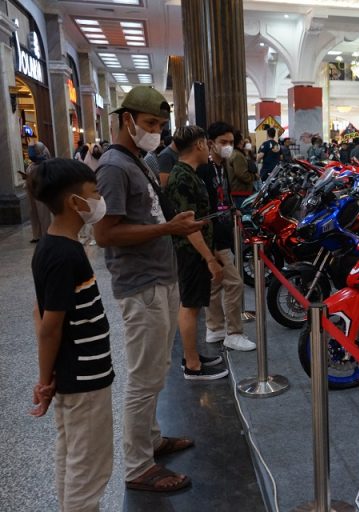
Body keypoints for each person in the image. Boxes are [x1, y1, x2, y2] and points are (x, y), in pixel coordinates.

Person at [94, 86, 202, 492]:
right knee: (143, 377)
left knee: (156, 371)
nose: (156, 131)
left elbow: (147, 217)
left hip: (159, 277)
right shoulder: (113, 167)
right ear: (128, 120)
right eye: (150, 123)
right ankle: (138, 466)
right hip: (141, 283)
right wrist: (167, 229)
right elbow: (106, 233)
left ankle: (151, 439)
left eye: (160, 125)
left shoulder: (135, 161)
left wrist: (174, 226)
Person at [28, 158, 114, 511]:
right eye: (94, 192)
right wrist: (44, 379)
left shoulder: (52, 246)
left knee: (73, 457)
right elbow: (50, 327)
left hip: (73, 375)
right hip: (84, 377)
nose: (99, 199)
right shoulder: (64, 254)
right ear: (73, 202)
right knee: (89, 467)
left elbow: (40, 311)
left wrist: (50, 376)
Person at [165, 125, 229, 380]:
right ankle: (192, 364)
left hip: (197, 250)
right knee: (190, 306)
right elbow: (188, 226)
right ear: (200, 145)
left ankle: (193, 355)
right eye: (208, 143)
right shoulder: (181, 177)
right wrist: (209, 258)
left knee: (194, 304)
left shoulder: (190, 174)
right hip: (190, 251)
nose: (210, 149)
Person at [198, 121, 257, 352]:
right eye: (223, 142)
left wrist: (232, 209)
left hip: (223, 230)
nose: (228, 146)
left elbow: (223, 195)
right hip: (213, 235)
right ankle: (234, 333)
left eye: (231, 142)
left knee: (216, 283)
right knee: (234, 283)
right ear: (210, 143)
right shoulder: (204, 169)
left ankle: (215, 328)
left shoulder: (222, 166)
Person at [25, 141, 53, 243]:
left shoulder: (45, 159)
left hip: (41, 189)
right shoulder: (31, 166)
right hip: (31, 189)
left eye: (33, 150)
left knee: (43, 213)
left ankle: (46, 234)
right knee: (33, 212)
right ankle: (36, 235)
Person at [228, 130, 255, 208]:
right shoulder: (238, 155)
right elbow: (242, 174)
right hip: (240, 192)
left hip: (240, 191)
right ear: (240, 141)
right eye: (242, 139)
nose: (244, 141)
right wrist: (254, 177)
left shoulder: (237, 153)